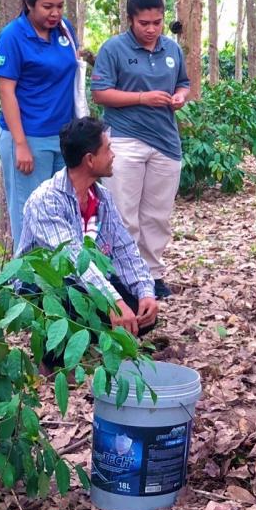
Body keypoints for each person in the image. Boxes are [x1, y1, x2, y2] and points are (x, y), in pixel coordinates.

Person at [17, 117, 159, 348]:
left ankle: (88, 343)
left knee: (142, 313)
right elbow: (73, 260)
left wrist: (145, 292)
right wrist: (114, 302)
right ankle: (52, 360)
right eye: (108, 149)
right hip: (44, 284)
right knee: (68, 300)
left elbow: (124, 249)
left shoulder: (102, 197)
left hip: (86, 280)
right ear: (90, 160)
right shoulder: (45, 201)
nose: (113, 155)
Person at [91, 0, 190, 300]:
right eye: (144, 23)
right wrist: (141, 98)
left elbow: (184, 82)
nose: (151, 29)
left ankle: (153, 273)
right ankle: (123, 275)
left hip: (166, 141)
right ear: (131, 20)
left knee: (157, 215)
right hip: (124, 140)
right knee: (123, 213)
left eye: (157, 22)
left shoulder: (172, 49)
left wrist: (180, 96)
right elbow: (100, 93)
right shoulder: (114, 49)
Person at [0, 0, 81, 244]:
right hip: (28, 137)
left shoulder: (65, 31)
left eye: (59, 6)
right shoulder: (12, 36)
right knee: (29, 214)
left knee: (59, 213)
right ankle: (28, 284)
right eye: (47, 7)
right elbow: (6, 91)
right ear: (29, 4)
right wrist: (20, 144)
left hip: (62, 137)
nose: (54, 13)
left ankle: (58, 281)